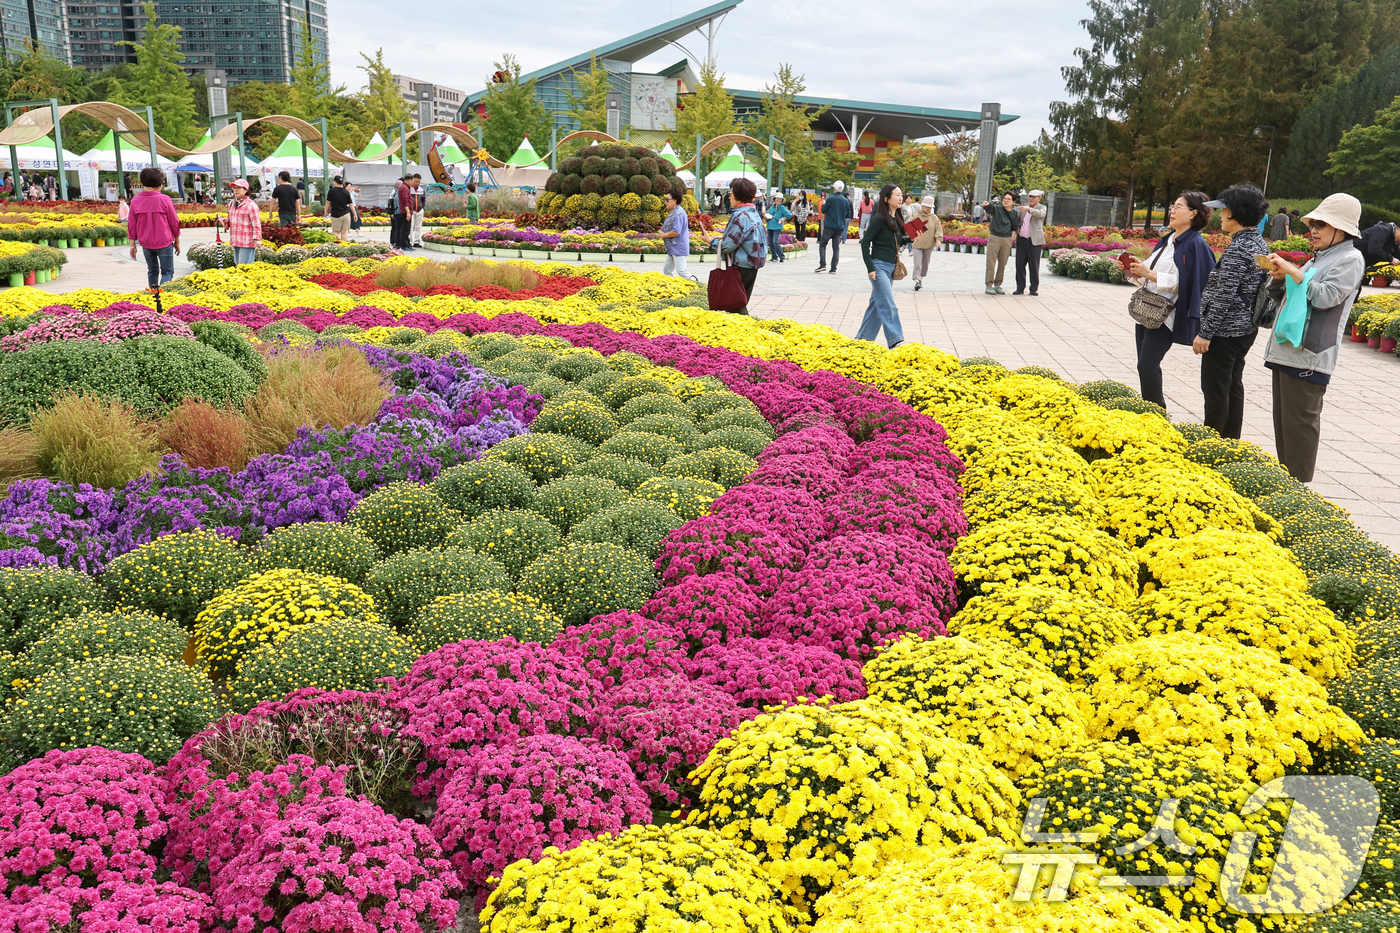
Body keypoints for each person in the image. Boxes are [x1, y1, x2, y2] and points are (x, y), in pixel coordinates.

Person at [1259, 193, 1364, 482]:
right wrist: (1280, 277)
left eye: (1321, 225)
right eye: (1313, 224)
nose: (1312, 230)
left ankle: (1299, 491)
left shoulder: (1350, 258)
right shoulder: (1321, 256)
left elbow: (1326, 297)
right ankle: (1287, 487)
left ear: (1340, 230)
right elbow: (1290, 296)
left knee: (1300, 428)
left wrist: (1294, 271)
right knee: (1285, 428)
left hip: (1309, 354)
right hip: (1286, 350)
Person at [1126, 190, 1216, 408]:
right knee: (1143, 365)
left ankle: (1157, 415)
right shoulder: (1169, 239)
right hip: (1148, 309)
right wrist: (1136, 269)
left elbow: (1197, 283)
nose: (1172, 211)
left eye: (1178, 207)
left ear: (1194, 213)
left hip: (1167, 315)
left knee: (1147, 365)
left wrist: (1152, 275)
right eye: (1172, 206)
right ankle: (1150, 411)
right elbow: (1151, 271)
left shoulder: (1196, 244)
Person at [1195, 183, 1271, 439]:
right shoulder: (1258, 243)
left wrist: (1205, 333)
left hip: (1226, 331)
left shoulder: (1239, 248)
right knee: (1232, 385)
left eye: (1223, 210)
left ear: (1236, 213)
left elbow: (1224, 294)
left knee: (1216, 388)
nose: (1219, 215)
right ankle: (1230, 441)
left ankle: (1213, 442)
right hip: (1245, 328)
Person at [857, 183, 909, 348]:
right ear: (886, 199)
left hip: (891, 267)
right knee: (888, 303)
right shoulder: (879, 218)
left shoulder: (897, 219)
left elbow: (898, 241)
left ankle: (862, 342)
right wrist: (870, 268)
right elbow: (865, 242)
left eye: (901, 195)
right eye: (897, 195)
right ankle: (896, 340)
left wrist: (914, 237)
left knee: (877, 306)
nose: (901, 198)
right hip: (878, 267)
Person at [709, 177, 766, 314]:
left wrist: (709, 241)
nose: (729, 196)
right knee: (738, 303)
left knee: (735, 305)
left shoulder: (741, 215)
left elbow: (727, 246)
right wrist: (724, 237)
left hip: (741, 265)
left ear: (739, 195)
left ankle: (747, 333)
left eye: (731, 193)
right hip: (752, 264)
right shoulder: (753, 213)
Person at [126, 167, 181, 289]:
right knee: (167, 272)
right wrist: (177, 242)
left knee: (152, 270)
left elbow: (132, 225)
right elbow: (174, 222)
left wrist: (132, 246)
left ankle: (153, 297)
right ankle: (164, 297)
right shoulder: (165, 199)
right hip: (165, 241)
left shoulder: (135, 201)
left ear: (143, 183)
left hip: (146, 242)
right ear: (160, 184)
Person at [981, 192, 1018, 295]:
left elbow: (1014, 228)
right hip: (995, 237)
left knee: (1003, 263)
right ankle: (989, 285)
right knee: (991, 261)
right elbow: (990, 208)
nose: (1006, 200)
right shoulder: (997, 209)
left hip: (1006, 239)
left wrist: (1011, 240)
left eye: (1009, 199)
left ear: (1013, 202)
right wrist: (986, 205)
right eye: (1005, 198)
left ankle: (998, 285)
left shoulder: (1014, 214)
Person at [1013, 189, 1048, 296]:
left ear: (1039, 198)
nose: (1031, 199)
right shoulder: (1023, 208)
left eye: (1034, 197)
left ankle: (1033, 289)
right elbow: (1018, 219)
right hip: (1022, 240)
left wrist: (1028, 209)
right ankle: (1020, 288)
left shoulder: (1042, 208)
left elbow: (1040, 214)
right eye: (1030, 196)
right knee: (1019, 265)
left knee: (1034, 266)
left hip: (1034, 242)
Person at [908, 195, 944, 291]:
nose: (928, 208)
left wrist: (938, 240)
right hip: (917, 245)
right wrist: (908, 239)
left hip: (928, 246)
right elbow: (909, 229)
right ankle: (916, 281)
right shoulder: (917, 216)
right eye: (926, 206)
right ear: (923, 206)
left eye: (930, 207)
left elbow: (938, 230)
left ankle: (921, 279)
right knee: (917, 264)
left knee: (925, 264)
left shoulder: (934, 218)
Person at [816, 180, 852, 274]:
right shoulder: (846, 201)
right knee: (836, 248)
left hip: (829, 226)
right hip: (840, 227)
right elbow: (848, 214)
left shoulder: (830, 199)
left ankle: (823, 264)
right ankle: (833, 268)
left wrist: (824, 204)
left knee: (823, 244)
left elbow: (824, 210)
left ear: (834, 188)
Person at [226, 178, 261, 265]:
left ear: (245, 190)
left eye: (239, 188)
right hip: (236, 240)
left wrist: (257, 239)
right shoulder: (232, 203)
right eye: (234, 188)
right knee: (238, 265)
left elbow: (256, 224)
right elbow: (231, 219)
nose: (236, 190)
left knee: (245, 267)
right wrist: (223, 221)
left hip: (247, 241)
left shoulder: (251, 205)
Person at [660, 189, 691, 277]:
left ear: (674, 201)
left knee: (681, 271)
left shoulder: (678, 213)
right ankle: (672, 288)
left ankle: (696, 285)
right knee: (667, 270)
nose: (665, 202)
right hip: (673, 247)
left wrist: (664, 235)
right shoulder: (675, 212)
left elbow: (676, 231)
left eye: (667, 200)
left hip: (678, 247)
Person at [765, 192, 791, 263]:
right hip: (770, 225)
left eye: (780, 199)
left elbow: (789, 215)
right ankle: (774, 257)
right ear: (774, 199)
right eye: (777, 198)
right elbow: (769, 215)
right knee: (770, 242)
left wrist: (783, 218)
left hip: (777, 226)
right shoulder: (772, 207)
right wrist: (767, 218)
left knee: (775, 242)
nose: (778, 200)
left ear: (782, 200)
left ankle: (782, 257)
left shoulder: (782, 208)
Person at [325, 175, 353, 240]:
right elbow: (351, 204)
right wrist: (354, 214)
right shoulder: (346, 192)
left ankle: (338, 247)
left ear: (335, 182)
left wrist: (325, 211)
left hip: (336, 214)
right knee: (344, 232)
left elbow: (328, 203)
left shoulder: (332, 191)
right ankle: (344, 246)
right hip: (346, 214)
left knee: (335, 232)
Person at [393, 174, 414, 250]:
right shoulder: (404, 188)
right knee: (405, 229)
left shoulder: (405, 187)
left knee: (406, 229)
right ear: (409, 180)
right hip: (405, 212)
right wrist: (408, 212)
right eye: (412, 181)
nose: (412, 183)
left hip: (405, 211)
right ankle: (404, 245)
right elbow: (405, 201)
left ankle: (407, 244)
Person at [409, 174, 425, 247]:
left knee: (418, 226)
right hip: (411, 210)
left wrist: (423, 208)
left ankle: (417, 242)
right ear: (413, 180)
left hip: (419, 210)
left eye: (419, 182)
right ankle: (409, 241)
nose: (417, 183)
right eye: (416, 181)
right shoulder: (409, 189)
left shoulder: (421, 189)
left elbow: (423, 199)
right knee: (410, 226)